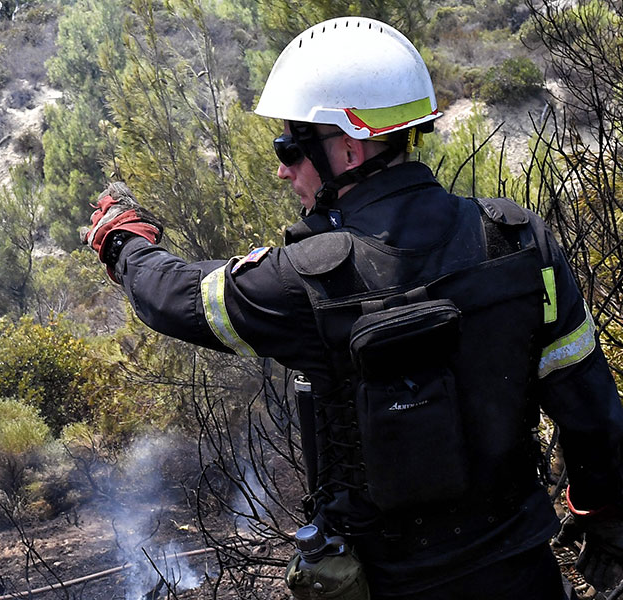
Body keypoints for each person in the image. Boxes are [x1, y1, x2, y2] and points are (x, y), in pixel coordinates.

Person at [82, 16, 623, 600]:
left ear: (348, 145)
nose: (284, 168)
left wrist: (123, 241)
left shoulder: (309, 280)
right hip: (522, 576)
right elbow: (592, 412)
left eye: (291, 146)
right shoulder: (520, 242)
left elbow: (177, 300)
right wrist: (603, 517)